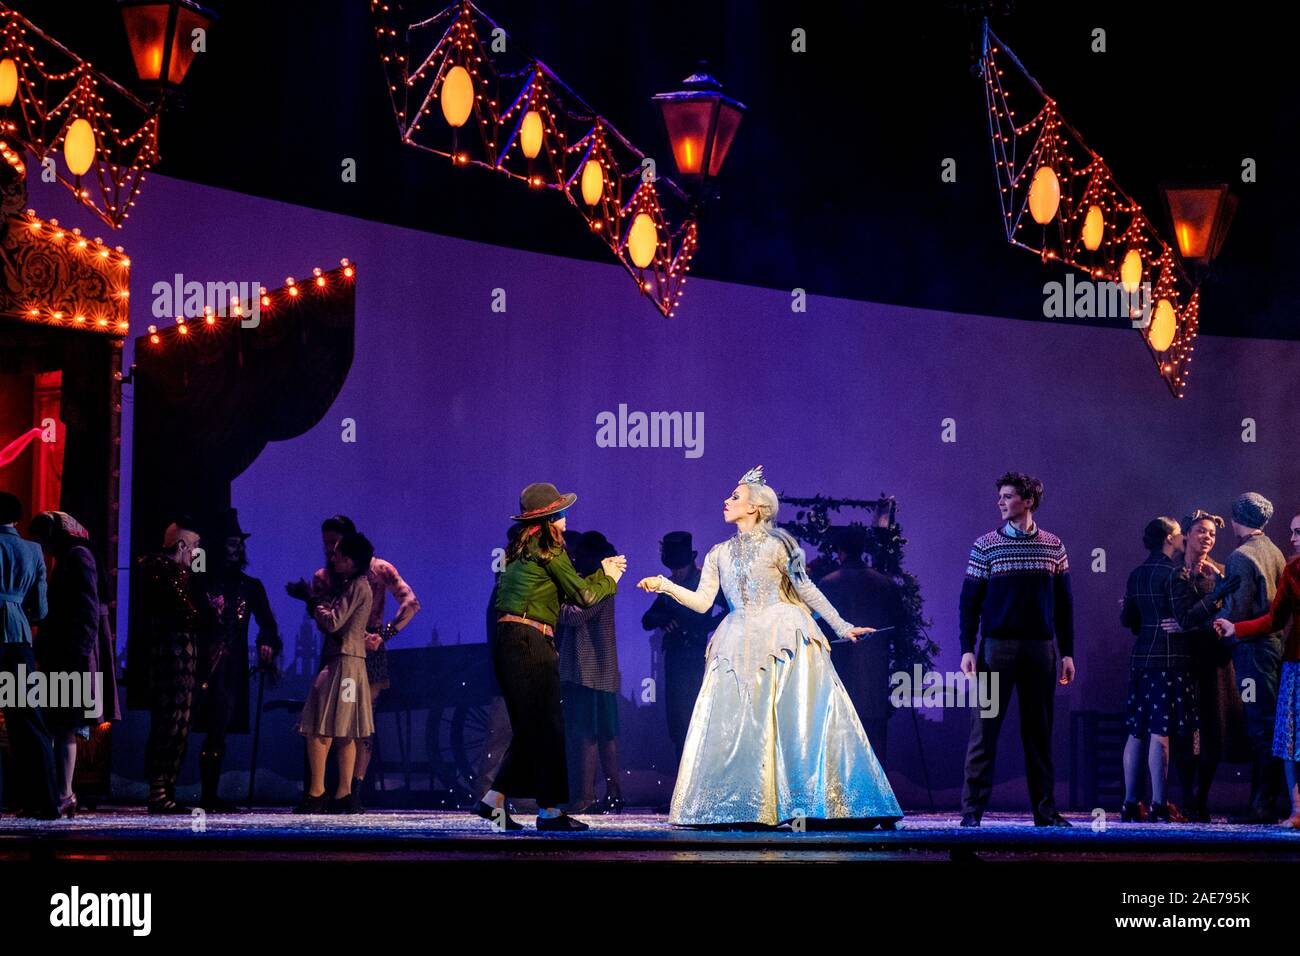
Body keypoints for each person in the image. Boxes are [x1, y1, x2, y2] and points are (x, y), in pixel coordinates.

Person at [637, 466, 901, 829]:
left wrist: (842, 625)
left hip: (782, 632)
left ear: (756, 508)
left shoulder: (780, 545)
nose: (727, 501)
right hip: (737, 635)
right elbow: (702, 602)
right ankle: (743, 805)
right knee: (741, 722)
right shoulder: (718, 553)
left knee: (794, 718)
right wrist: (665, 586)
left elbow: (805, 589)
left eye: (735, 497)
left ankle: (810, 802)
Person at [479, 482, 625, 832]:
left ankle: (494, 801)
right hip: (529, 640)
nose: (564, 519)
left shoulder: (522, 549)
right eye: (559, 514)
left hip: (512, 640)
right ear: (547, 519)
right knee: (547, 726)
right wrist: (609, 577)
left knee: (534, 728)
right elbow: (585, 596)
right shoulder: (548, 549)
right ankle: (548, 812)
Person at [958, 472, 1074, 827]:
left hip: (1040, 650)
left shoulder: (1053, 545)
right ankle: (972, 813)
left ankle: (1045, 812)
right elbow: (969, 602)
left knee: (1039, 732)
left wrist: (1067, 653)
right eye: (1001, 496)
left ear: (1028, 500)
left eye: (1008, 496)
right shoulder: (986, 545)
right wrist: (967, 648)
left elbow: (1064, 605)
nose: (1001, 502)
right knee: (984, 731)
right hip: (997, 649)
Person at [288, 514, 419, 807]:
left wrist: (384, 634)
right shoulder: (326, 576)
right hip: (338, 651)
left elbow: (411, 603)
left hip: (366, 649)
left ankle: (351, 791)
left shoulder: (379, 570)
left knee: (358, 723)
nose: (330, 549)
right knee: (337, 721)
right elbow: (328, 624)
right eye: (326, 544)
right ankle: (334, 791)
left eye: (335, 543)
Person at [1117, 517, 1237, 822]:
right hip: (1169, 661)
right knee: (1161, 731)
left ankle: (1131, 804)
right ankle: (1159, 803)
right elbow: (1186, 616)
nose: (1184, 537)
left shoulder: (1136, 573)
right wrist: (1217, 597)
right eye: (1180, 533)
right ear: (1169, 539)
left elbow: (1128, 620)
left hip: (1141, 659)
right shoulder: (1175, 573)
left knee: (1136, 731)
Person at [28, 511, 122, 818]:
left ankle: (65, 793)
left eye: (45, 541)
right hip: (66, 650)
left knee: (65, 724)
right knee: (58, 722)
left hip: (72, 652)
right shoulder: (72, 553)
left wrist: (81, 654)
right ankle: (57, 793)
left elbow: (86, 607)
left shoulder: (78, 555)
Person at [1216, 510, 1300, 828]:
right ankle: (1287, 806)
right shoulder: (1283, 558)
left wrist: (1229, 624)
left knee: (1268, 730)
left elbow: (1240, 607)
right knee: (1283, 733)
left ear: (1239, 519)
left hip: (1261, 654)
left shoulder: (1242, 555)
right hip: (1284, 653)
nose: (1292, 538)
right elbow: (1276, 617)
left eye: (1298, 532)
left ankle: (1266, 803)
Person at [195, 509, 279, 812]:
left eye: (239, 545)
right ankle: (165, 790)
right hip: (199, 663)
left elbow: (268, 623)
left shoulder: (250, 586)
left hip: (230, 669)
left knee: (218, 728)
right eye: (232, 544)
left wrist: (267, 642)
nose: (238, 550)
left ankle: (208, 795)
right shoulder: (200, 582)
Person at [1169, 510, 1248, 821]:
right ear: (1187, 534)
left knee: (1213, 729)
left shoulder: (1220, 573)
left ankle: (1200, 798)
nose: (1207, 538)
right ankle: (1187, 795)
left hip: (1213, 660)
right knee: (1186, 729)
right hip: (1184, 659)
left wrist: (1195, 626)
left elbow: (1228, 613)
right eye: (1201, 531)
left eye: (1212, 534)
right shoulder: (1173, 571)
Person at [295, 531, 375, 814]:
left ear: (351, 561)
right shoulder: (357, 585)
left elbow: (333, 623)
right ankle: (343, 794)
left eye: (339, 554)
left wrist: (313, 601)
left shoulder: (355, 586)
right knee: (345, 729)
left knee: (318, 724)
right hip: (351, 663)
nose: (333, 557)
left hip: (342, 662)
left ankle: (317, 793)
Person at [136, 517, 212, 813]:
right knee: (170, 722)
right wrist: (207, 613)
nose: (196, 553)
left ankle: (166, 788)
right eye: (194, 547)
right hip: (170, 657)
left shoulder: (179, 575)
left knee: (178, 723)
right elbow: (188, 614)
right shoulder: (165, 573)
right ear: (181, 545)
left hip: (180, 657)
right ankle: (159, 791)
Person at [817, 524, 906, 763]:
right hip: (875, 675)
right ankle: (878, 797)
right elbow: (900, 627)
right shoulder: (886, 584)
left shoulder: (828, 583)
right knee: (874, 744)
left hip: (839, 672)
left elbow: (819, 629)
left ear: (839, 550)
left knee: (838, 741)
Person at [641, 531, 725, 763]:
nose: (676, 572)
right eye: (672, 567)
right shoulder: (671, 585)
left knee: (695, 719)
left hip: (697, 657)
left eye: (680, 566)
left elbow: (729, 610)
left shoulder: (705, 583)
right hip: (676, 657)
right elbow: (647, 619)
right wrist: (664, 620)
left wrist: (702, 628)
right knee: (677, 722)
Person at [0, 491, 58, 819]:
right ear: (17, 519)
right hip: (19, 638)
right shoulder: (33, 549)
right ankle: (44, 802)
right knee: (29, 721)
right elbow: (41, 609)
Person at [558, 530, 623, 813]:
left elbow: (573, 616)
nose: (574, 558)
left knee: (588, 734)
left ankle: (586, 796)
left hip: (591, 671)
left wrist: (556, 602)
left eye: (579, 554)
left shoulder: (599, 585)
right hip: (596, 671)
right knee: (603, 734)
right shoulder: (599, 583)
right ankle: (612, 792)